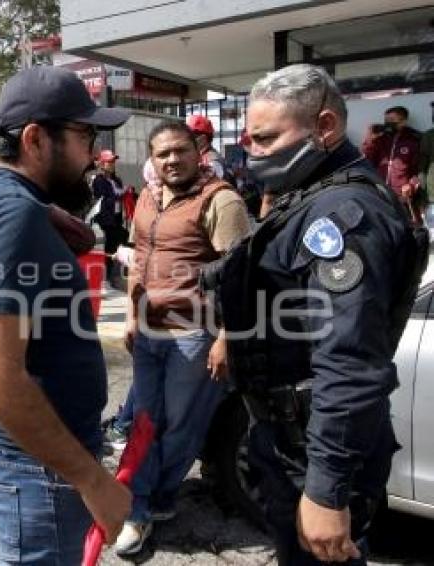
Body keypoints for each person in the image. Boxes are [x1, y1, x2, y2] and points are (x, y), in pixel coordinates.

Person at [206, 64, 427, 565]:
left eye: (265, 139)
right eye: (249, 139)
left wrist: (326, 490)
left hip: (313, 449)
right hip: (286, 439)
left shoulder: (342, 216)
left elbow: (349, 362)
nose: (252, 151)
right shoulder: (308, 198)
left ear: (324, 127)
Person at [0, 66, 133, 564]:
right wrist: (92, 479)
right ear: (34, 138)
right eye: (84, 135)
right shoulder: (13, 212)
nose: (92, 153)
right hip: (36, 467)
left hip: (24, 457)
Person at [115, 120, 251, 556]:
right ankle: (139, 504)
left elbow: (240, 275)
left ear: (198, 150)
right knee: (143, 423)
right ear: (153, 159)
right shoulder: (147, 199)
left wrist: (227, 337)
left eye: (180, 151)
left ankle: (157, 498)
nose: (172, 160)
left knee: (179, 426)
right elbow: (138, 260)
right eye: (162, 154)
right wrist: (132, 316)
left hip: (195, 333)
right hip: (150, 331)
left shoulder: (221, 200)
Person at [362, 106, 422, 220]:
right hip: (381, 193)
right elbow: (367, 160)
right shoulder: (381, 139)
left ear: (403, 122)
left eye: (392, 121)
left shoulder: (414, 140)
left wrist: (411, 186)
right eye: (386, 121)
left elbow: (419, 170)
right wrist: (370, 140)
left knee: (405, 229)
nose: (388, 124)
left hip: (403, 197)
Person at [91, 149, 127, 284]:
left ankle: (112, 274)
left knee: (121, 238)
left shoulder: (116, 180)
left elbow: (119, 194)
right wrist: (118, 195)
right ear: (102, 164)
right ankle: (107, 276)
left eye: (113, 162)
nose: (112, 164)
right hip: (105, 219)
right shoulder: (98, 180)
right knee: (114, 241)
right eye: (109, 162)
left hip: (116, 217)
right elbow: (102, 199)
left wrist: (128, 194)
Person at [186, 114, 226, 180]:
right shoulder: (201, 157)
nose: (186, 140)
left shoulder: (212, 162)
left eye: (190, 137)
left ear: (203, 139)